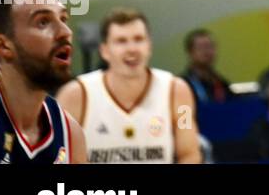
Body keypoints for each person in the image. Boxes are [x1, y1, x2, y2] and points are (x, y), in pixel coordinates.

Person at [57, 8, 201, 163]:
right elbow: (60, 156)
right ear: (104, 51)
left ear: (149, 46)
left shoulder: (178, 91)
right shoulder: (75, 95)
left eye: (138, 39)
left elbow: (189, 154)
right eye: (121, 41)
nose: (132, 49)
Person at [0, 0, 87, 164]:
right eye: (43, 22)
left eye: (63, 19)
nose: (65, 32)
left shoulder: (69, 133)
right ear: (3, 46)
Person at [181, 29, 231, 105]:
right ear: (190, 52)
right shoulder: (182, 84)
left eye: (210, 46)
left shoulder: (221, 83)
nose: (206, 51)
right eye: (201, 47)